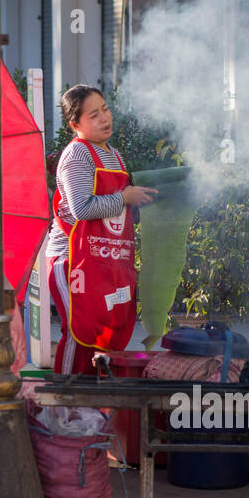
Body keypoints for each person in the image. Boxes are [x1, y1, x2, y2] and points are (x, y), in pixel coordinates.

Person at [47, 85, 157, 376]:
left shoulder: (115, 155)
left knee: (107, 336)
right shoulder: (76, 156)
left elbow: (116, 211)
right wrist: (124, 198)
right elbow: (82, 209)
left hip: (105, 258)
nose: (104, 118)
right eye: (93, 115)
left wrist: (144, 200)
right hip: (71, 259)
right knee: (79, 331)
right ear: (75, 124)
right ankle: (65, 402)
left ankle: (95, 408)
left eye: (105, 109)